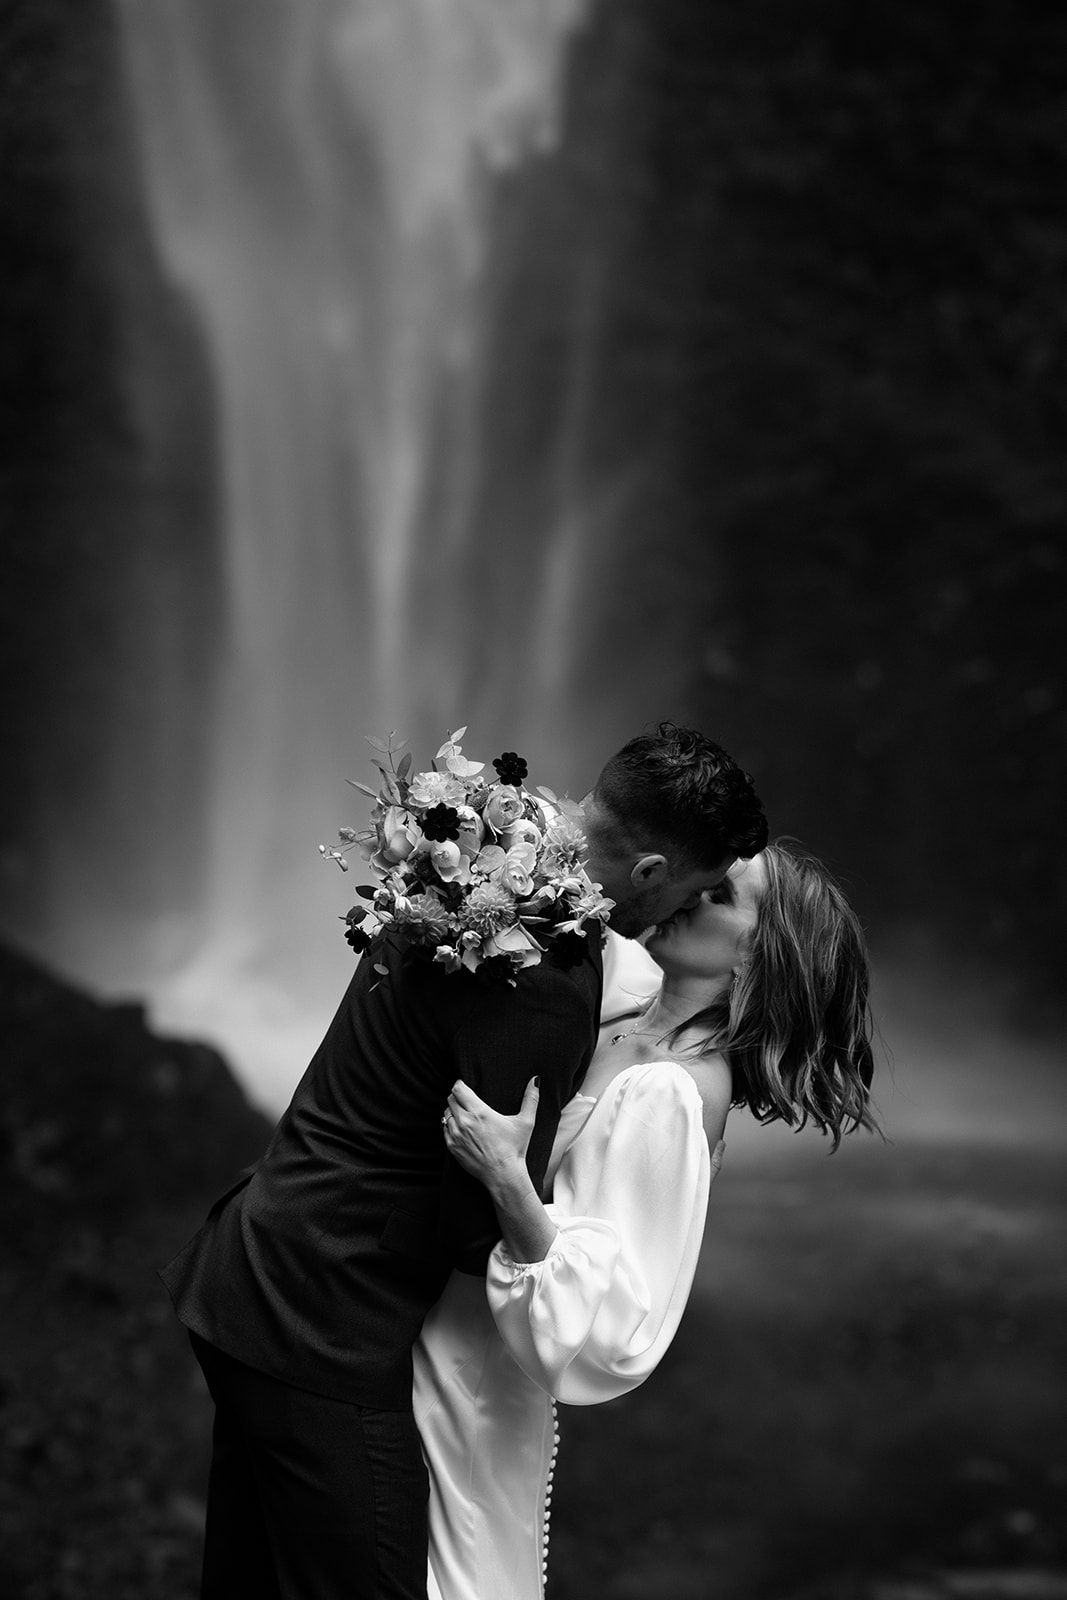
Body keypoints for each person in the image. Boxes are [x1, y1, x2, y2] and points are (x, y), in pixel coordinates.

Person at [160, 723, 767, 1600]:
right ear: (646, 874)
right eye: (693, 891)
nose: (677, 915)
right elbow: (466, 1224)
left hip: (254, 1262)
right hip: (320, 1316)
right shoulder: (542, 981)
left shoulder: (469, 855)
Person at [413, 842, 877, 1600]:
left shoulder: (671, 1090)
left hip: (473, 1381)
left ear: (757, 961)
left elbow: (615, 1329)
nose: (687, 893)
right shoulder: (630, 1003)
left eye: (719, 894)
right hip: (421, 1329)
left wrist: (505, 1178)